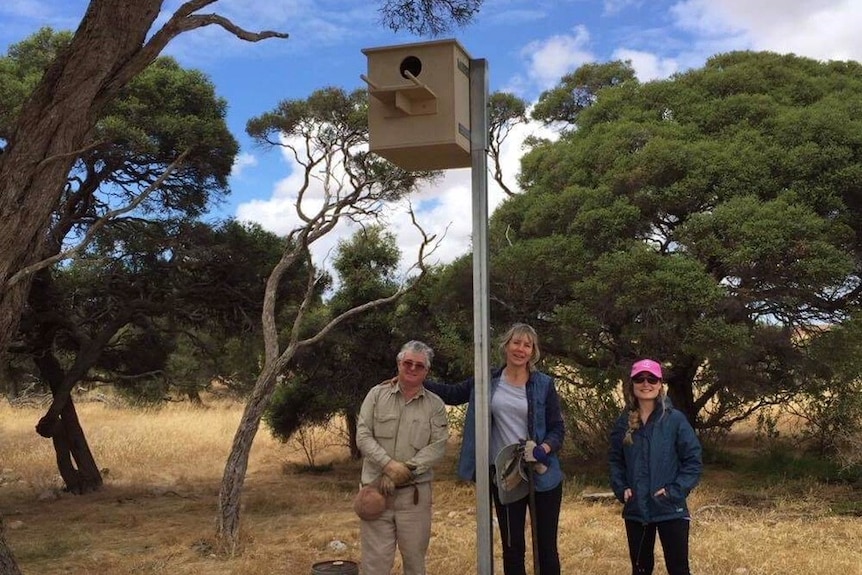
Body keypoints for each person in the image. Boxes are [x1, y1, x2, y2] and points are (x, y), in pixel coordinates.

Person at [424, 323, 565, 575]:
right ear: (506, 345)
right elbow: (453, 394)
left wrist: (543, 448)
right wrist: (417, 378)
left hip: (541, 474)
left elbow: (557, 428)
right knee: (513, 547)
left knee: (545, 547)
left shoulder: (543, 384)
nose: (520, 349)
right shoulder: (486, 380)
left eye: (527, 345)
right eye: (516, 342)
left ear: (533, 352)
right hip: (505, 476)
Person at [355, 340, 449, 575]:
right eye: (408, 363)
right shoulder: (376, 395)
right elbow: (363, 435)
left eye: (419, 365)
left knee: (415, 563)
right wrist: (388, 465)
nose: (413, 369)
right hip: (376, 493)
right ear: (398, 364)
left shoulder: (435, 405)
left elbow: (437, 446)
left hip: (414, 499)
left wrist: (402, 472)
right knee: (375, 565)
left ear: (426, 371)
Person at [609, 359, 703, 575]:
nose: (646, 383)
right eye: (639, 379)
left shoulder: (675, 420)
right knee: (641, 569)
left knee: (678, 569)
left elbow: (693, 461)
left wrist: (674, 491)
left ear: (660, 384)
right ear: (632, 384)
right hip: (636, 510)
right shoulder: (624, 422)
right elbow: (615, 460)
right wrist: (621, 488)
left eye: (652, 378)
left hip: (670, 508)